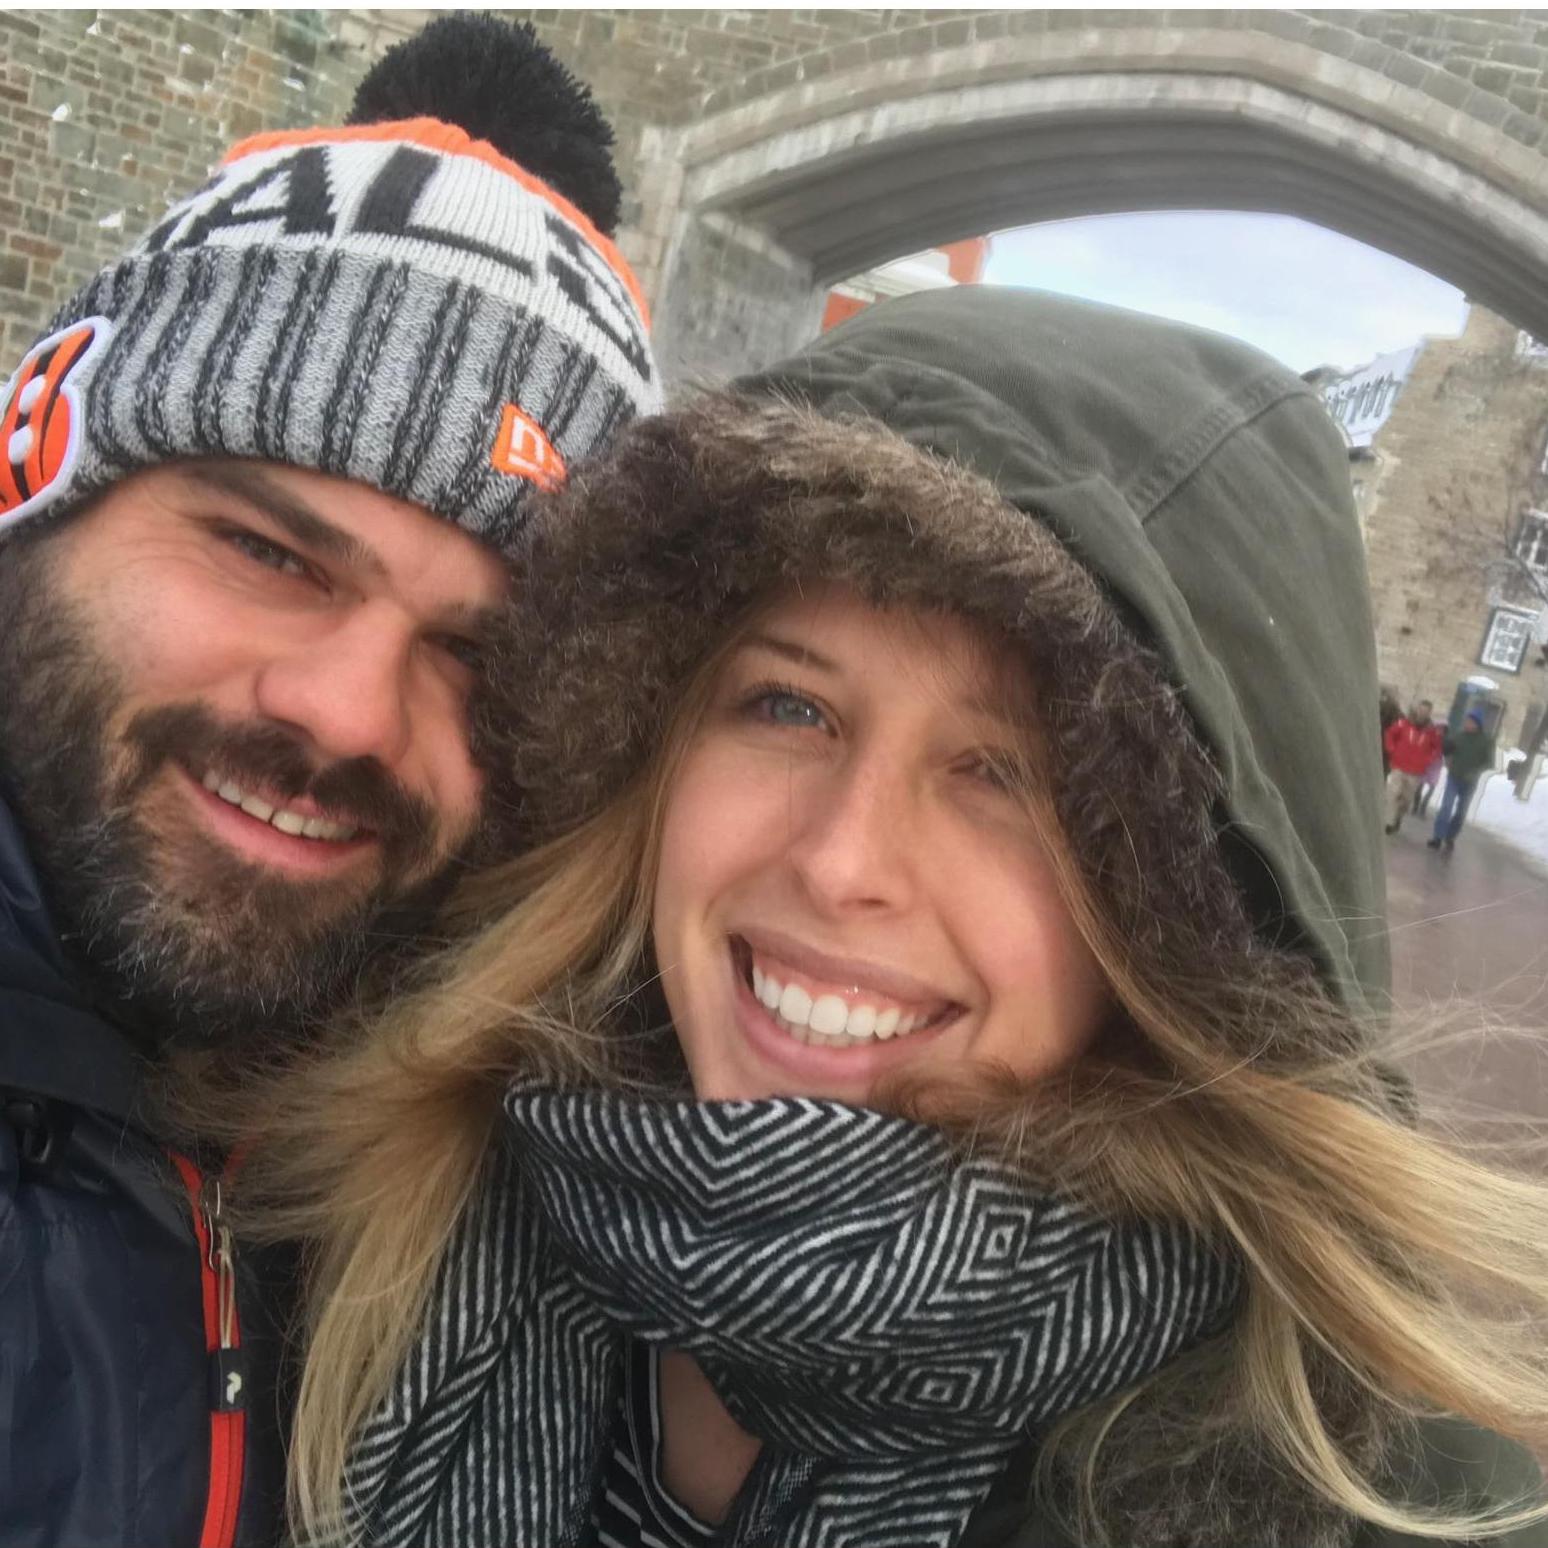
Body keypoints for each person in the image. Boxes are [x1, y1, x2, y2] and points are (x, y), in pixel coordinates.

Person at [244, 289, 1547, 1547]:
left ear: (1187, 919)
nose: (841, 861)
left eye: (1008, 775)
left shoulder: (1398, 1509)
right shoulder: (338, 1225)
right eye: (789, 707)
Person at [0, 16, 657, 1546]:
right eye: (269, 552)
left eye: (478, 656)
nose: (353, 716)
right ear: (40, 491)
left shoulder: (518, 1195)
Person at [1427, 712, 1498, 855]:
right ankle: (1437, 837)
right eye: (1466, 720)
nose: (1466, 723)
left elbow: (1490, 762)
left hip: (1470, 782)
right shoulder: (1459, 736)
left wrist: (1475, 772)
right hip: (1454, 777)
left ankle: (1450, 836)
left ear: (1477, 724)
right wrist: (1448, 757)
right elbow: (1447, 749)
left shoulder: (1487, 741)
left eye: (1470, 721)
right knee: (1446, 807)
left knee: (1461, 812)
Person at [1383, 700, 1444, 835]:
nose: (1422, 713)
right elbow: (1390, 734)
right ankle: (1389, 822)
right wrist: (1392, 749)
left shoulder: (1432, 731)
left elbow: (1436, 748)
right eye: (1420, 710)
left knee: (1406, 800)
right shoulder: (1404, 723)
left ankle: (1398, 817)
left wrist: (1428, 760)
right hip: (1399, 765)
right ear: (1417, 710)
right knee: (1393, 793)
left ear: (1429, 713)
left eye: (1425, 711)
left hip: (1416, 770)